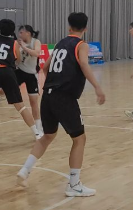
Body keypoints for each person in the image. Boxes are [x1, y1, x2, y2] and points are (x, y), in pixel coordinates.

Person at [16, 12, 106, 197]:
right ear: (86, 28)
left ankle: (25, 170)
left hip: (48, 96)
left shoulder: (59, 44)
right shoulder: (81, 45)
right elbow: (84, 64)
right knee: (79, 139)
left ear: (69, 27)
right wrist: (97, 87)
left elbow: (45, 67)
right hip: (64, 98)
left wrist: (53, 82)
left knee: (47, 136)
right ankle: (74, 184)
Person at [0, 19, 41, 149]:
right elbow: (18, 60)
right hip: (7, 72)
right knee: (20, 106)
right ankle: (37, 133)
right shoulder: (14, 43)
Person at [16, 24, 43, 134]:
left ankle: (39, 127)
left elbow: (36, 53)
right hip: (19, 71)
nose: (19, 34)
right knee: (3, 90)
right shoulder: (17, 43)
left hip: (31, 74)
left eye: (21, 32)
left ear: (28, 33)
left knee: (34, 102)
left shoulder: (35, 42)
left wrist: (23, 47)